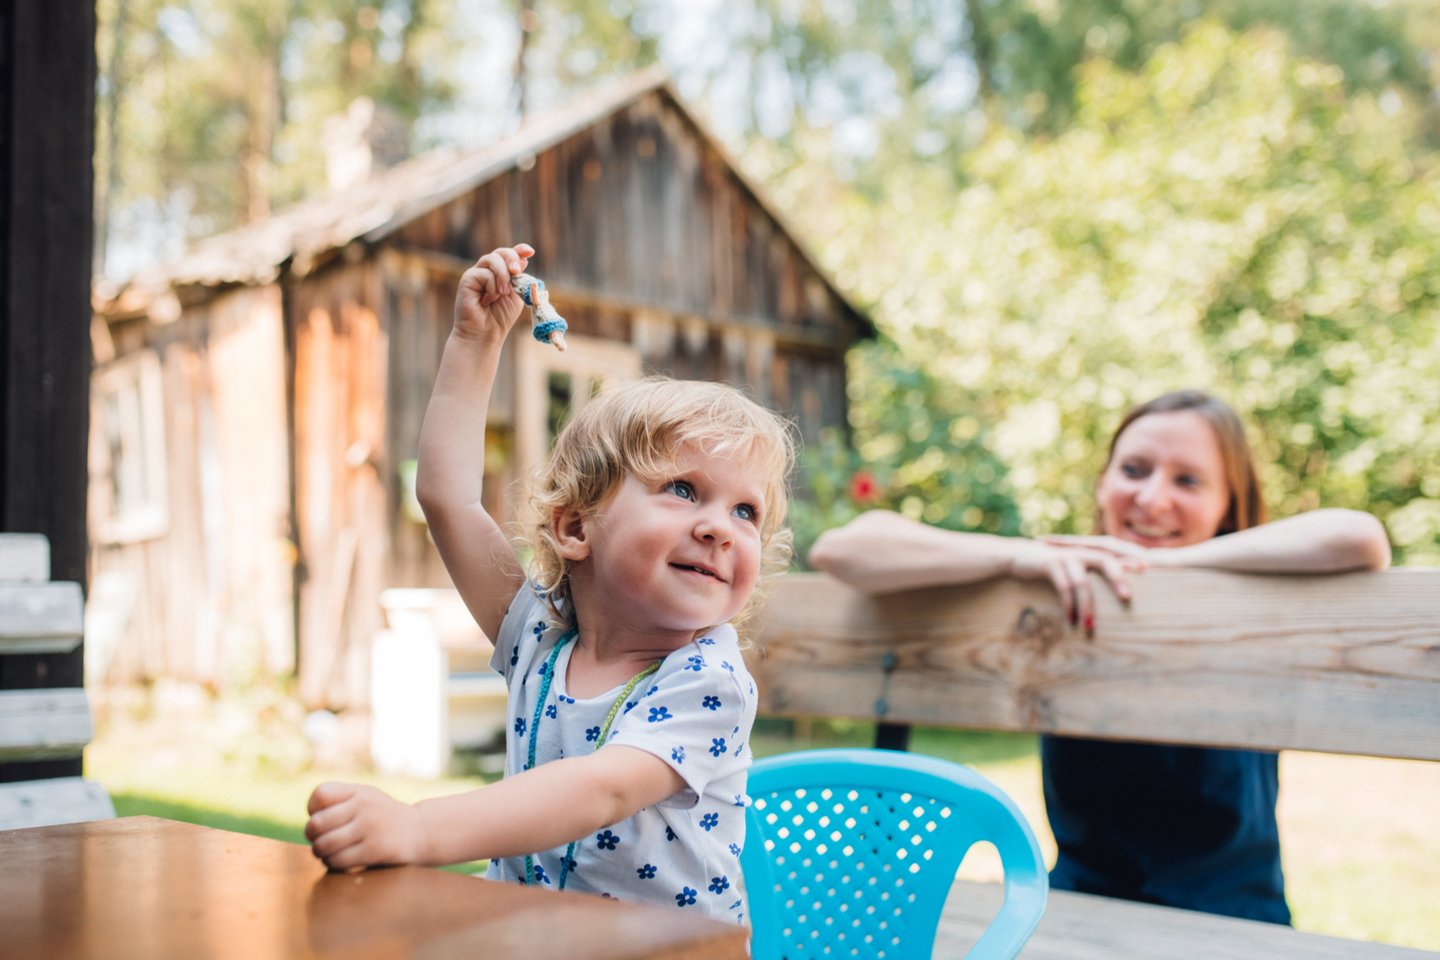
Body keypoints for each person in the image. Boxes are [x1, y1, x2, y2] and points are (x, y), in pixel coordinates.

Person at [305, 243, 795, 923]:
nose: (721, 528)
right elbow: (447, 498)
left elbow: (599, 790)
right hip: (531, 938)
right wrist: (474, 342)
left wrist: (419, 829)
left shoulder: (705, 679)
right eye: (682, 489)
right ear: (575, 529)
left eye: (747, 511)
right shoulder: (538, 635)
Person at [808, 389, 1390, 923]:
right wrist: (1016, 557)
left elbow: (1359, 536)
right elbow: (843, 549)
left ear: (1228, 507)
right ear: (1102, 483)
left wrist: (1159, 565)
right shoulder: (1056, 579)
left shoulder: (1255, 594)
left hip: (1230, 912)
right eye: (1133, 470)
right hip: (1078, 904)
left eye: (1187, 481)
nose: (1151, 496)